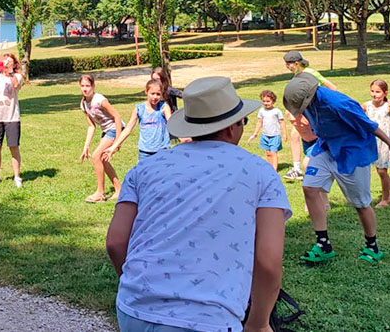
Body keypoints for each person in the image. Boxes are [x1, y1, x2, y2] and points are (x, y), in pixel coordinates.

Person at [105, 76, 290, 332]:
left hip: (134, 310)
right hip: (209, 318)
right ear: (231, 127)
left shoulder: (144, 169)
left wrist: (141, 290)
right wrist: (258, 324)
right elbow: (269, 260)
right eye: (243, 122)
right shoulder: (261, 172)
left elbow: (115, 242)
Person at [283, 72, 390, 264]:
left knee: (360, 203)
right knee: (309, 188)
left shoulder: (339, 103)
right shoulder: (306, 102)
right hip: (326, 146)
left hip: (352, 151)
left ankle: (372, 247)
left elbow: (368, 124)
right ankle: (323, 245)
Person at [282, 51, 336, 181]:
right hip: (303, 111)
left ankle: (322, 167)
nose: (287, 67)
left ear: (296, 63)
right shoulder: (297, 74)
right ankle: (297, 168)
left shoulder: (310, 73)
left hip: (312, 113)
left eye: (288, 64)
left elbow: (332, 88)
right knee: (295, 135)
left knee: (311, 137)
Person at [78, 74, 123, 203]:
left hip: (115, 129)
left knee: (96, 156)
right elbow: (91, 126)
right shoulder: (83, 104)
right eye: (82, 86)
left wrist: (118, 141)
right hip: (106, 130)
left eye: (88, 85)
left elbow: (117, 117)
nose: (85, 89)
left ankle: (100, 193)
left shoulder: (99, 99)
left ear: (93, 86)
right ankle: (119, 189)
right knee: (103, 159)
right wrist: (86, 146)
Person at [363, 80, 390, 208]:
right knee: (379, 170)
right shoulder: (367, 105)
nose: (374, 95)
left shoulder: (388, 107)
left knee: (382, 171)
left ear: (385, 93)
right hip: (372, 141)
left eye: (378, 92)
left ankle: (385, 199)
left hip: (386, 142)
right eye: (372, 91)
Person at [105, 79, 172, 160]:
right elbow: (127, 129)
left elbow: (172, 124)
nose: (155, 97)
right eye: (152, 93)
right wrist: (113, 147)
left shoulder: (164, 107)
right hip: (144, 153)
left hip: (162, 151)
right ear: (146, 92)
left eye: (158, 94)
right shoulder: (139, 109)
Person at [0, 54, 24, 188]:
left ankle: (17, 176)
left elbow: (16, 85)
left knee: (13, 146)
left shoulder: (17, 77)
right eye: (5, 61)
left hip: (11, 118)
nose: (7, 63)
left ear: (14, 65)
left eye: (10, 62)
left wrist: (10, 73)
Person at [246, 89, 287, 171]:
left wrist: (285, 133)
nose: (266, 103)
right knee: (268, 153)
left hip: (274, 135)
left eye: (268, 101)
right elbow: (259, 121)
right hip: (265, 135)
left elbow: (282, 122)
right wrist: (256, 132)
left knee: (273, 153)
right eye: (264, 101)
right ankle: (270, 167)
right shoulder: (262, 111)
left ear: (273, 101)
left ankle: (274, 170)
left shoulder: (277, 111)